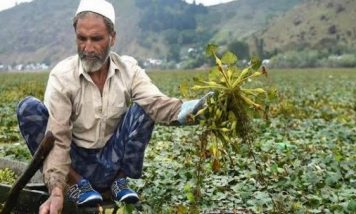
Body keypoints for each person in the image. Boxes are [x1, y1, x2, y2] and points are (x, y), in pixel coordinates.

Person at [16, 0, 210, 213]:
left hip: (112, 160)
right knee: (28, 109)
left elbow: (157, 103)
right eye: (82, 38)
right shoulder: (62, 77)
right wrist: (56, 191)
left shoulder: (128, 70)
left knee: (144, 107)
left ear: (112, 38)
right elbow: (58, 137)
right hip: (75, 163)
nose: (88, 48)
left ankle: (118, 181)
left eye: (96, 39)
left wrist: (197, 110)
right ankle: (78, 185)